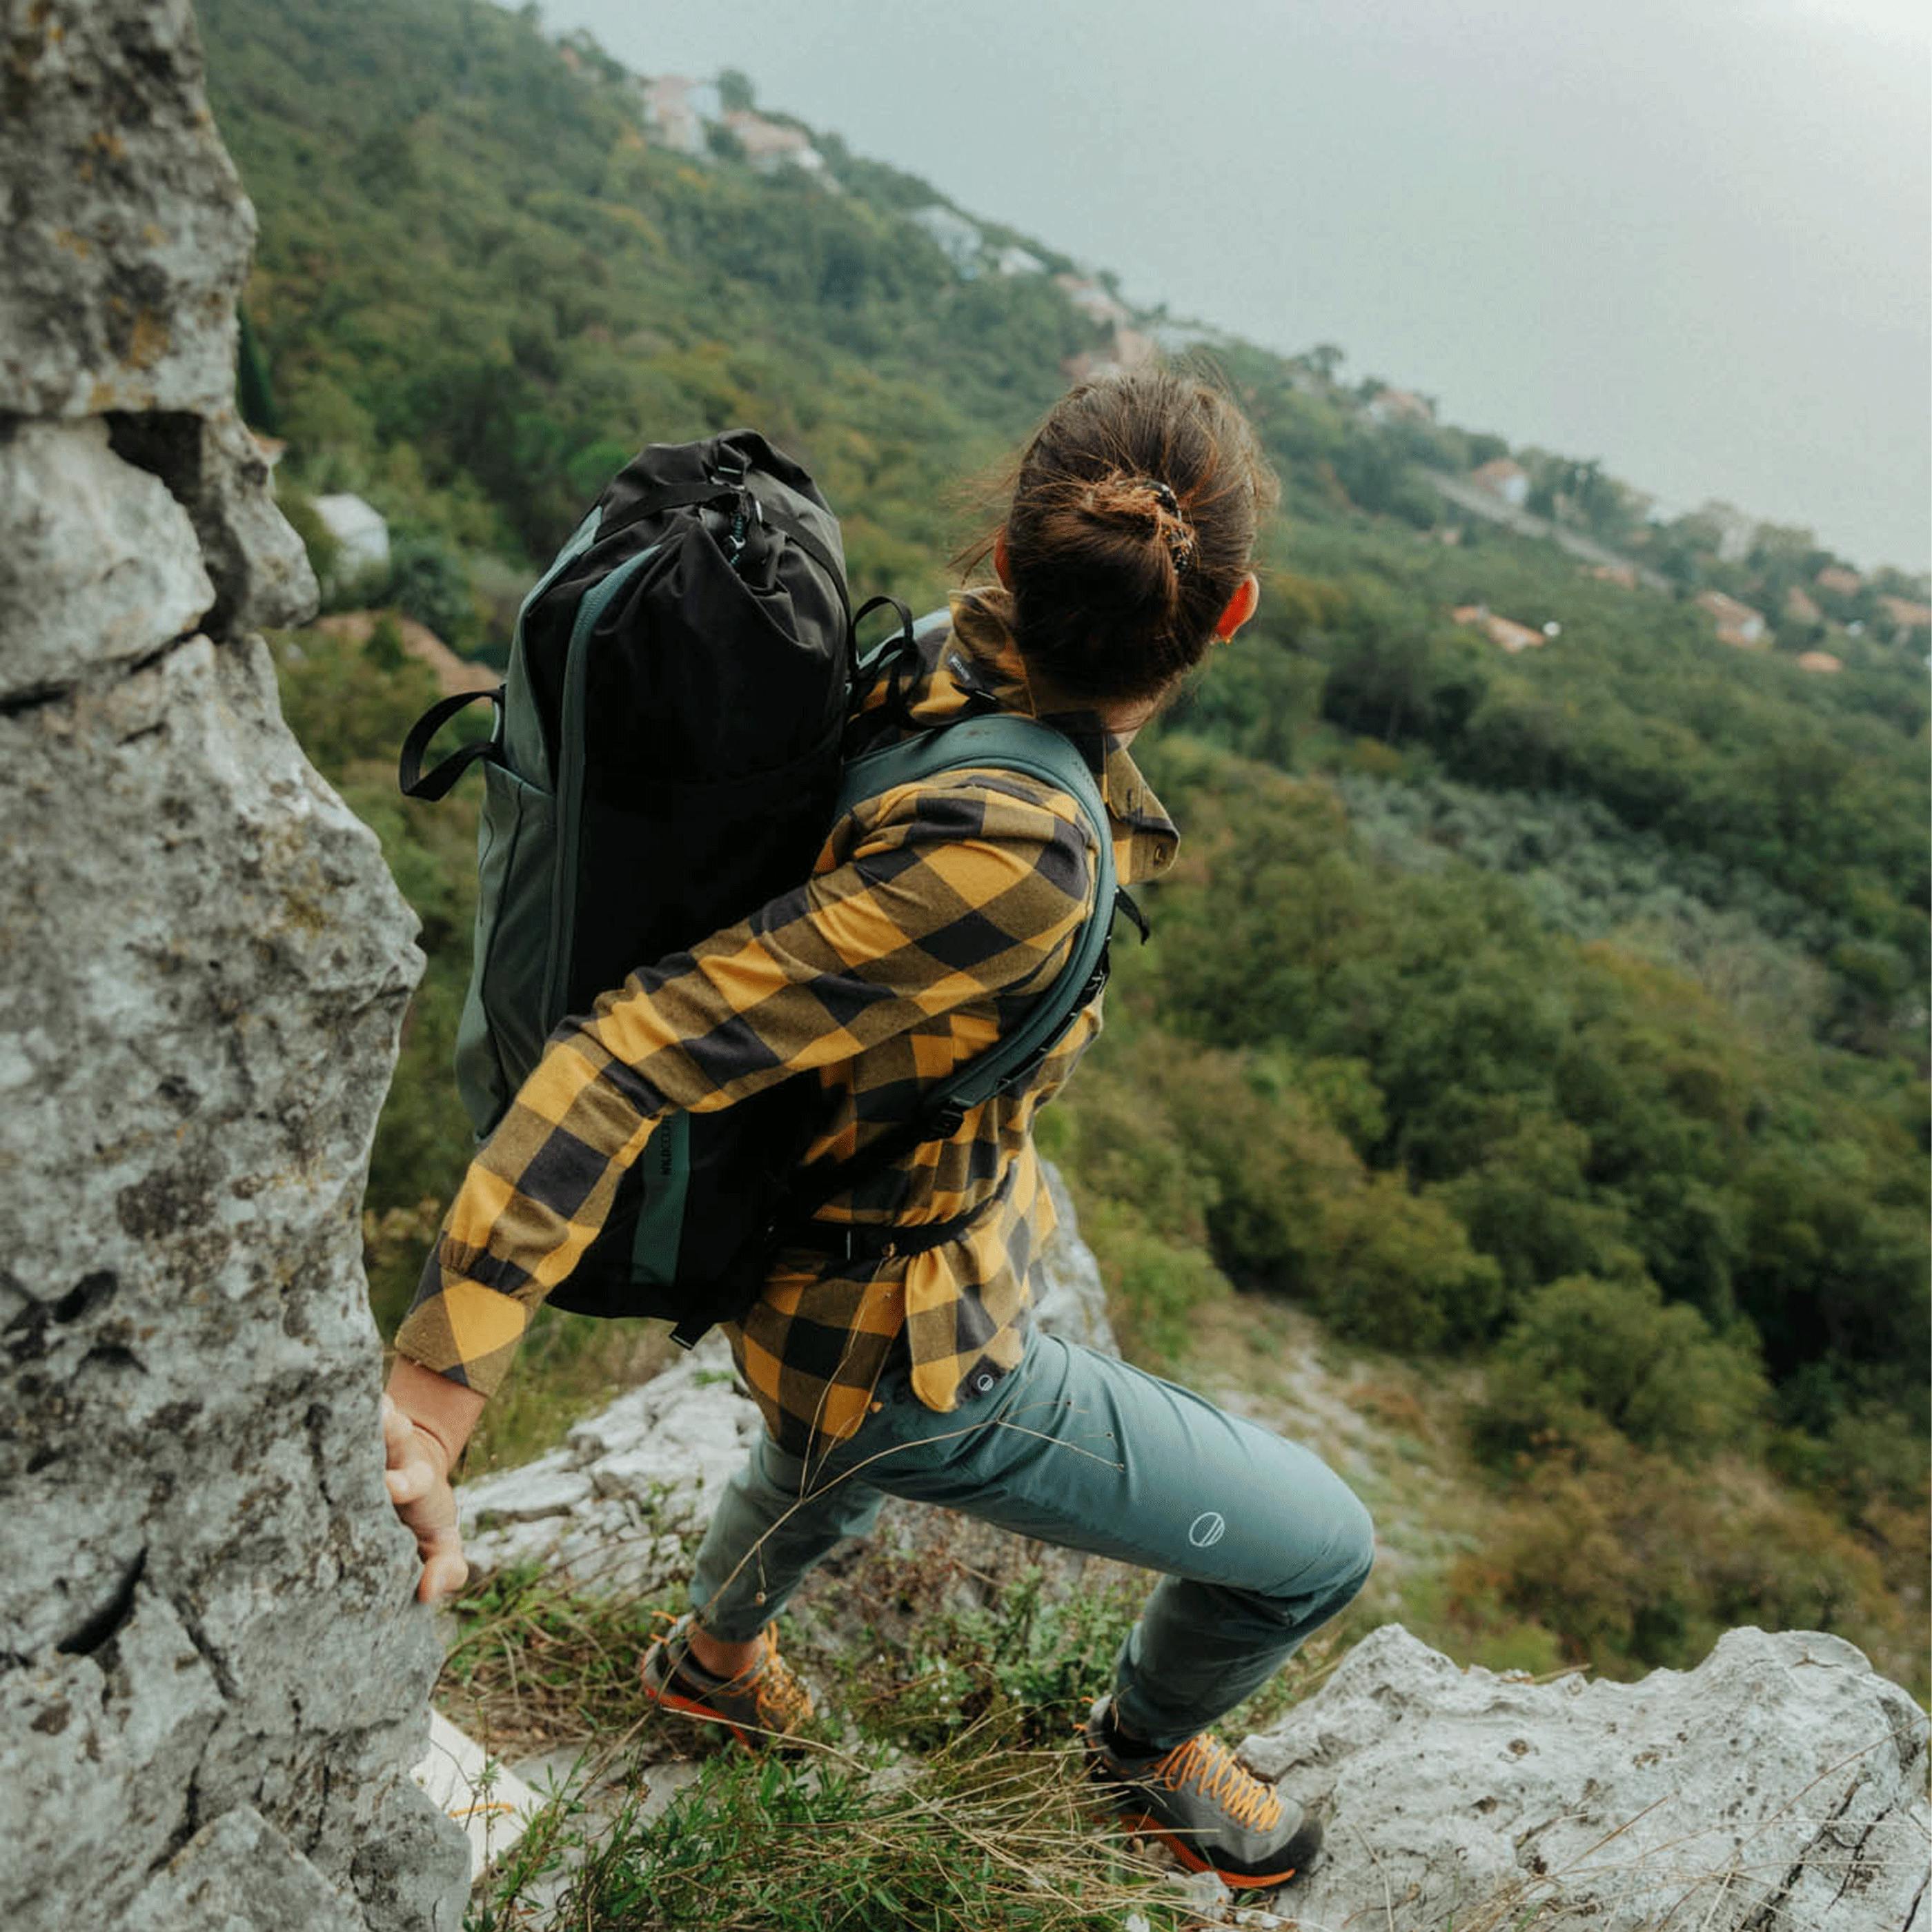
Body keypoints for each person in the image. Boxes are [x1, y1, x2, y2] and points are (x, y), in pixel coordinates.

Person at [380, 366, 1374, 1891]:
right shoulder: (1020, 846)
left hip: (807, 1272)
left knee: (814, 1445)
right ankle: (1139, 1750)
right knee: (1318, 1547)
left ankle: (713, 1659)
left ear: (1011, 544)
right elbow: (632, 1045)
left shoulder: (925, 663)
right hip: (905, 1347)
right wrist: (437, 1387)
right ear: (1228, 613)